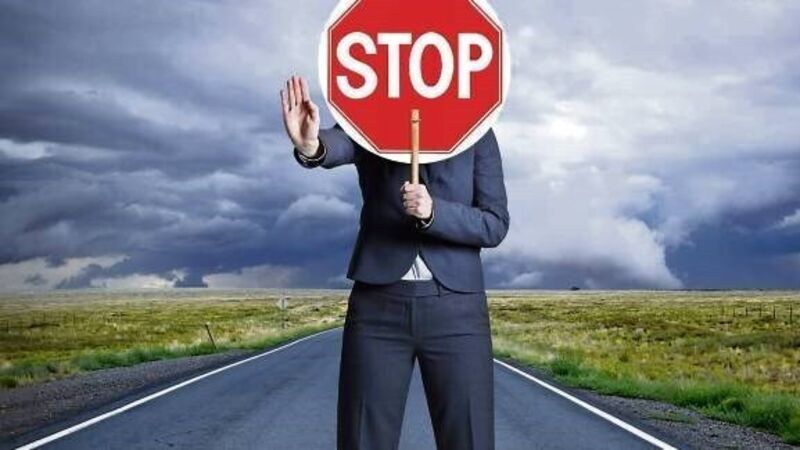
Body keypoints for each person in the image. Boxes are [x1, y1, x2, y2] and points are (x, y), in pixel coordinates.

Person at [280, 75, 509, 450]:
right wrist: (311, 145)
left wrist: (434, 212)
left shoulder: (478, 130)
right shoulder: (372, 117)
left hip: (457, 309)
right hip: (377, 305)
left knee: (470, 438)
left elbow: (495, 223)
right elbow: (337, 143)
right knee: (362, 437)